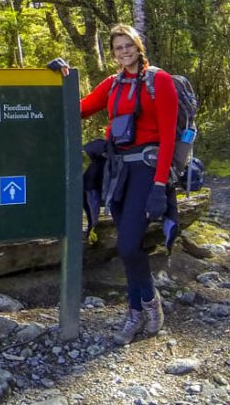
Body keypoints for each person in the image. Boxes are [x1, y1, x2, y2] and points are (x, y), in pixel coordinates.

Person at [74, 24, 179, 345]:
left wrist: (160, 185)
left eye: (128, 45)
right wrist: (61, 78)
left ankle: (148, 305)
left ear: (138, 46)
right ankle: (135, 316)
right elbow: (77, 109)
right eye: (118, 48)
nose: (123, 51)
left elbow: (169, 136)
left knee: (128, 245)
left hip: (147, 171)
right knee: (127, 244)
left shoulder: (159, 81)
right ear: (114, 53)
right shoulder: (112, 85)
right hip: (117, 173)